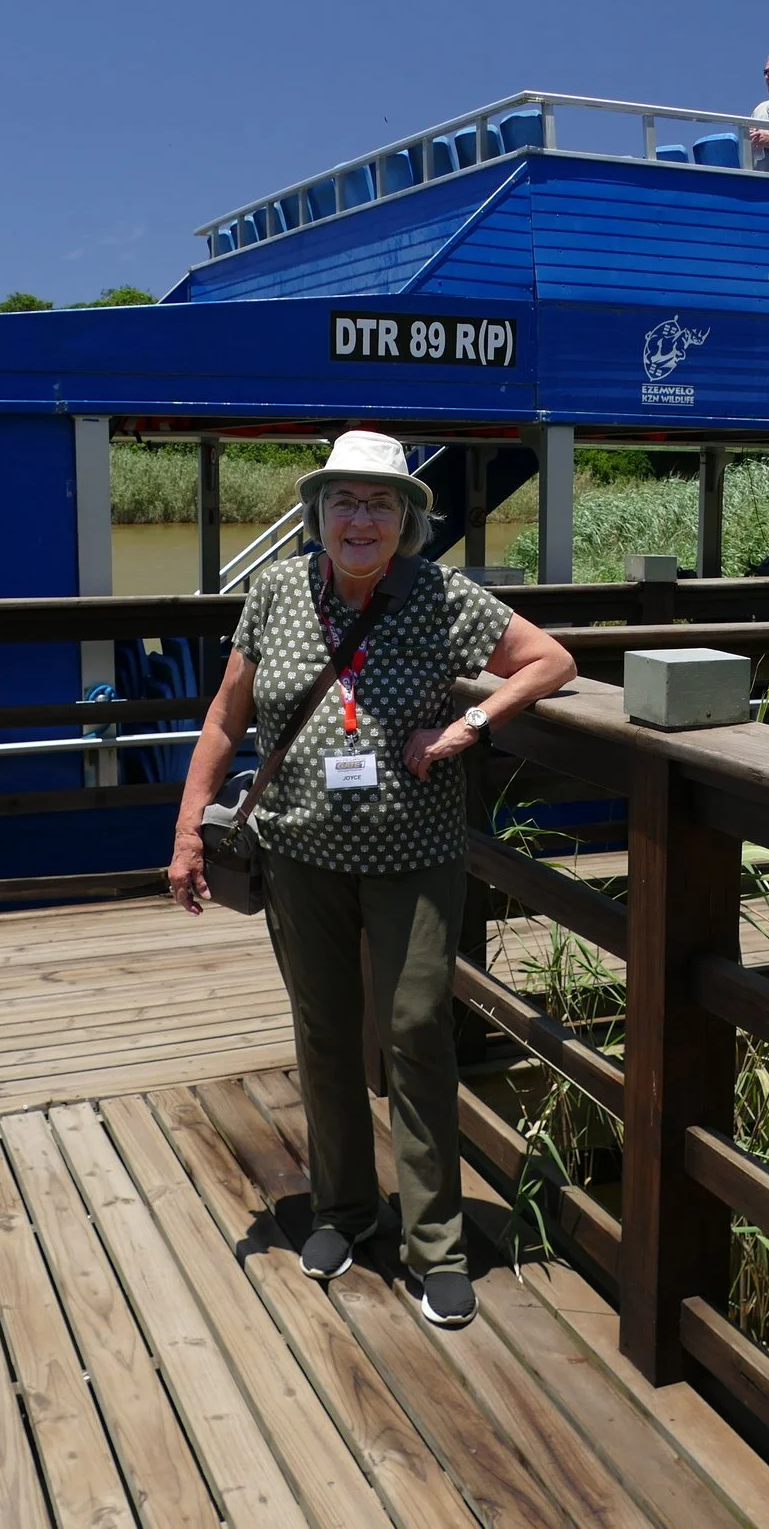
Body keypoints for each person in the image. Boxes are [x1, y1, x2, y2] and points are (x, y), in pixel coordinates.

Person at [168, 430, 576, 1329]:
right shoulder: (275, 591)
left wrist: (469, 727)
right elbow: (226, 718)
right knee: (323, 1029)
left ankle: (436, 1243)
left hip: (414, 857)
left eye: (380, 503)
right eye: (344, 501)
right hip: (300, 854)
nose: (361, 519)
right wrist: (190, 829)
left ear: (406, 520)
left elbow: (552, 661)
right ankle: (343, 1210)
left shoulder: (440, 597)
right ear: (319, 514)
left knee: (414, 1028)